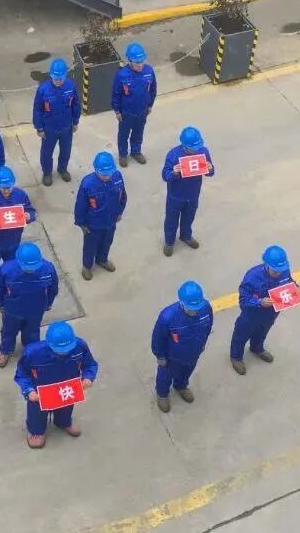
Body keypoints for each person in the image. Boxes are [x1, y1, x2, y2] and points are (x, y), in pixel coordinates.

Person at [14, 321, 98, 449]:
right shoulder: (33, 352)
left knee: (66, 408)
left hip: (67, 388)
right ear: (48, 343)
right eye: (59, 350)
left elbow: (90, 364)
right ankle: (36, 431)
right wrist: (29, 390)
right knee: (37, 413)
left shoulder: (80, 346)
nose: (64, 353)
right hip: (41, 392)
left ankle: (64, 422)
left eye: (68, 349)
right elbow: (22, 373)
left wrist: (88, 377)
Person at [230, 246, 300, 375]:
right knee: (241, 336)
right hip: (251, 316)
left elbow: (289, 281)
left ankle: (257, 348)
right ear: (266, 265)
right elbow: (243, 300)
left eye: (280, 270)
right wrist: (259, 302)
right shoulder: (252, 277)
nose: (278, 273)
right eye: (275, 270)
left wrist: (296, 288)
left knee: (262, 333)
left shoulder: (284, 271)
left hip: (271, 314)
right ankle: (236, 357)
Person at [0, 243, 58, 368]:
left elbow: (53, 288)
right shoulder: (7, 270)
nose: (30, 270)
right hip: (12, 310)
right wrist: (0, 304)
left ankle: (31, 352)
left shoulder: (48, 269)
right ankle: (5, 351)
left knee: (32, 333)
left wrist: (49, 302)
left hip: (36, 310)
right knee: (8, 332)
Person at [152, 281, 213, 412]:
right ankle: (162, 394)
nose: (193, 312)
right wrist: (160, 356)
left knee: (186, 372)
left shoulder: (206, 308)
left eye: (196, 308)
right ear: (181, 302)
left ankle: (180, 386)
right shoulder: (167, 317)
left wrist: (203, 343)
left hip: (193, 353)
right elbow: (158, 338)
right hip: (171, 357)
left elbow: (208, 327)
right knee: (165, 376)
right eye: (190, 308)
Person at [0, 166, 36, 297]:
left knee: (12, 266)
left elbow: (31, 210)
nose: (7, 191)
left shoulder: (21, 195)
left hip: (13, 241)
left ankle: (10, 284)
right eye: (3, 188)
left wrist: (29, 216)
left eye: (9, 187)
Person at [162, 126, 215, 256]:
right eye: (193, 148)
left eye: (197, 147)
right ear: (184, 145)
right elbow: (165, 176)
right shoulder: (173, 155)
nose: (195, 150)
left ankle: (186, 236)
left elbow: (210, 172)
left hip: (193, 195)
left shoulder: (203, 151)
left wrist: (210, 168)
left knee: (189, 218)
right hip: (175, 196)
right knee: (171, 220)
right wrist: (174, 172)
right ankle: (169, 242)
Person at [74, 151, 127, 281]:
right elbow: (80, 205)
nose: (107, 176)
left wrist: (119, 212)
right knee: (90, 246)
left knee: (107, 242)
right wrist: (81, 223)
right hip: (93, 225)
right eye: (104, 174)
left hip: (110, 221)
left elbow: (122, 196)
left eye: (109, 173)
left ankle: (102, 260)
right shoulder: (87, 184)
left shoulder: (117, 177)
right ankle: (87, 266)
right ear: (96, 170)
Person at [33, 58, 81, 186]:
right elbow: (37, 110)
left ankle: (62, 169)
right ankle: (47, 173)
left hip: (66, 127)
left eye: (60, 79)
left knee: (66, 150)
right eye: (55, 78)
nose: (58, 81)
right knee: (47, 152)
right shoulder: (43, 90)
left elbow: (76, 105)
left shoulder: (71, 86)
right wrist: (39, 128)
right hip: (49, 129)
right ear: (51, 75)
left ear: (65, 75)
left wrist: (75, 121)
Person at [111, 42, 157, 167]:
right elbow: (115, 94)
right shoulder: (122, 75)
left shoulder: (149, 71)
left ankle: (136, 152)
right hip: (126, 112)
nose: (140, 65)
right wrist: (117, 111)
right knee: (123, 135)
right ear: (130, 61)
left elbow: (153, 89)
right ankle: (123, 155)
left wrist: (150, 105)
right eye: (137, 62)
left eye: (142, 61)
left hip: (142, 111)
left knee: (138, 132)